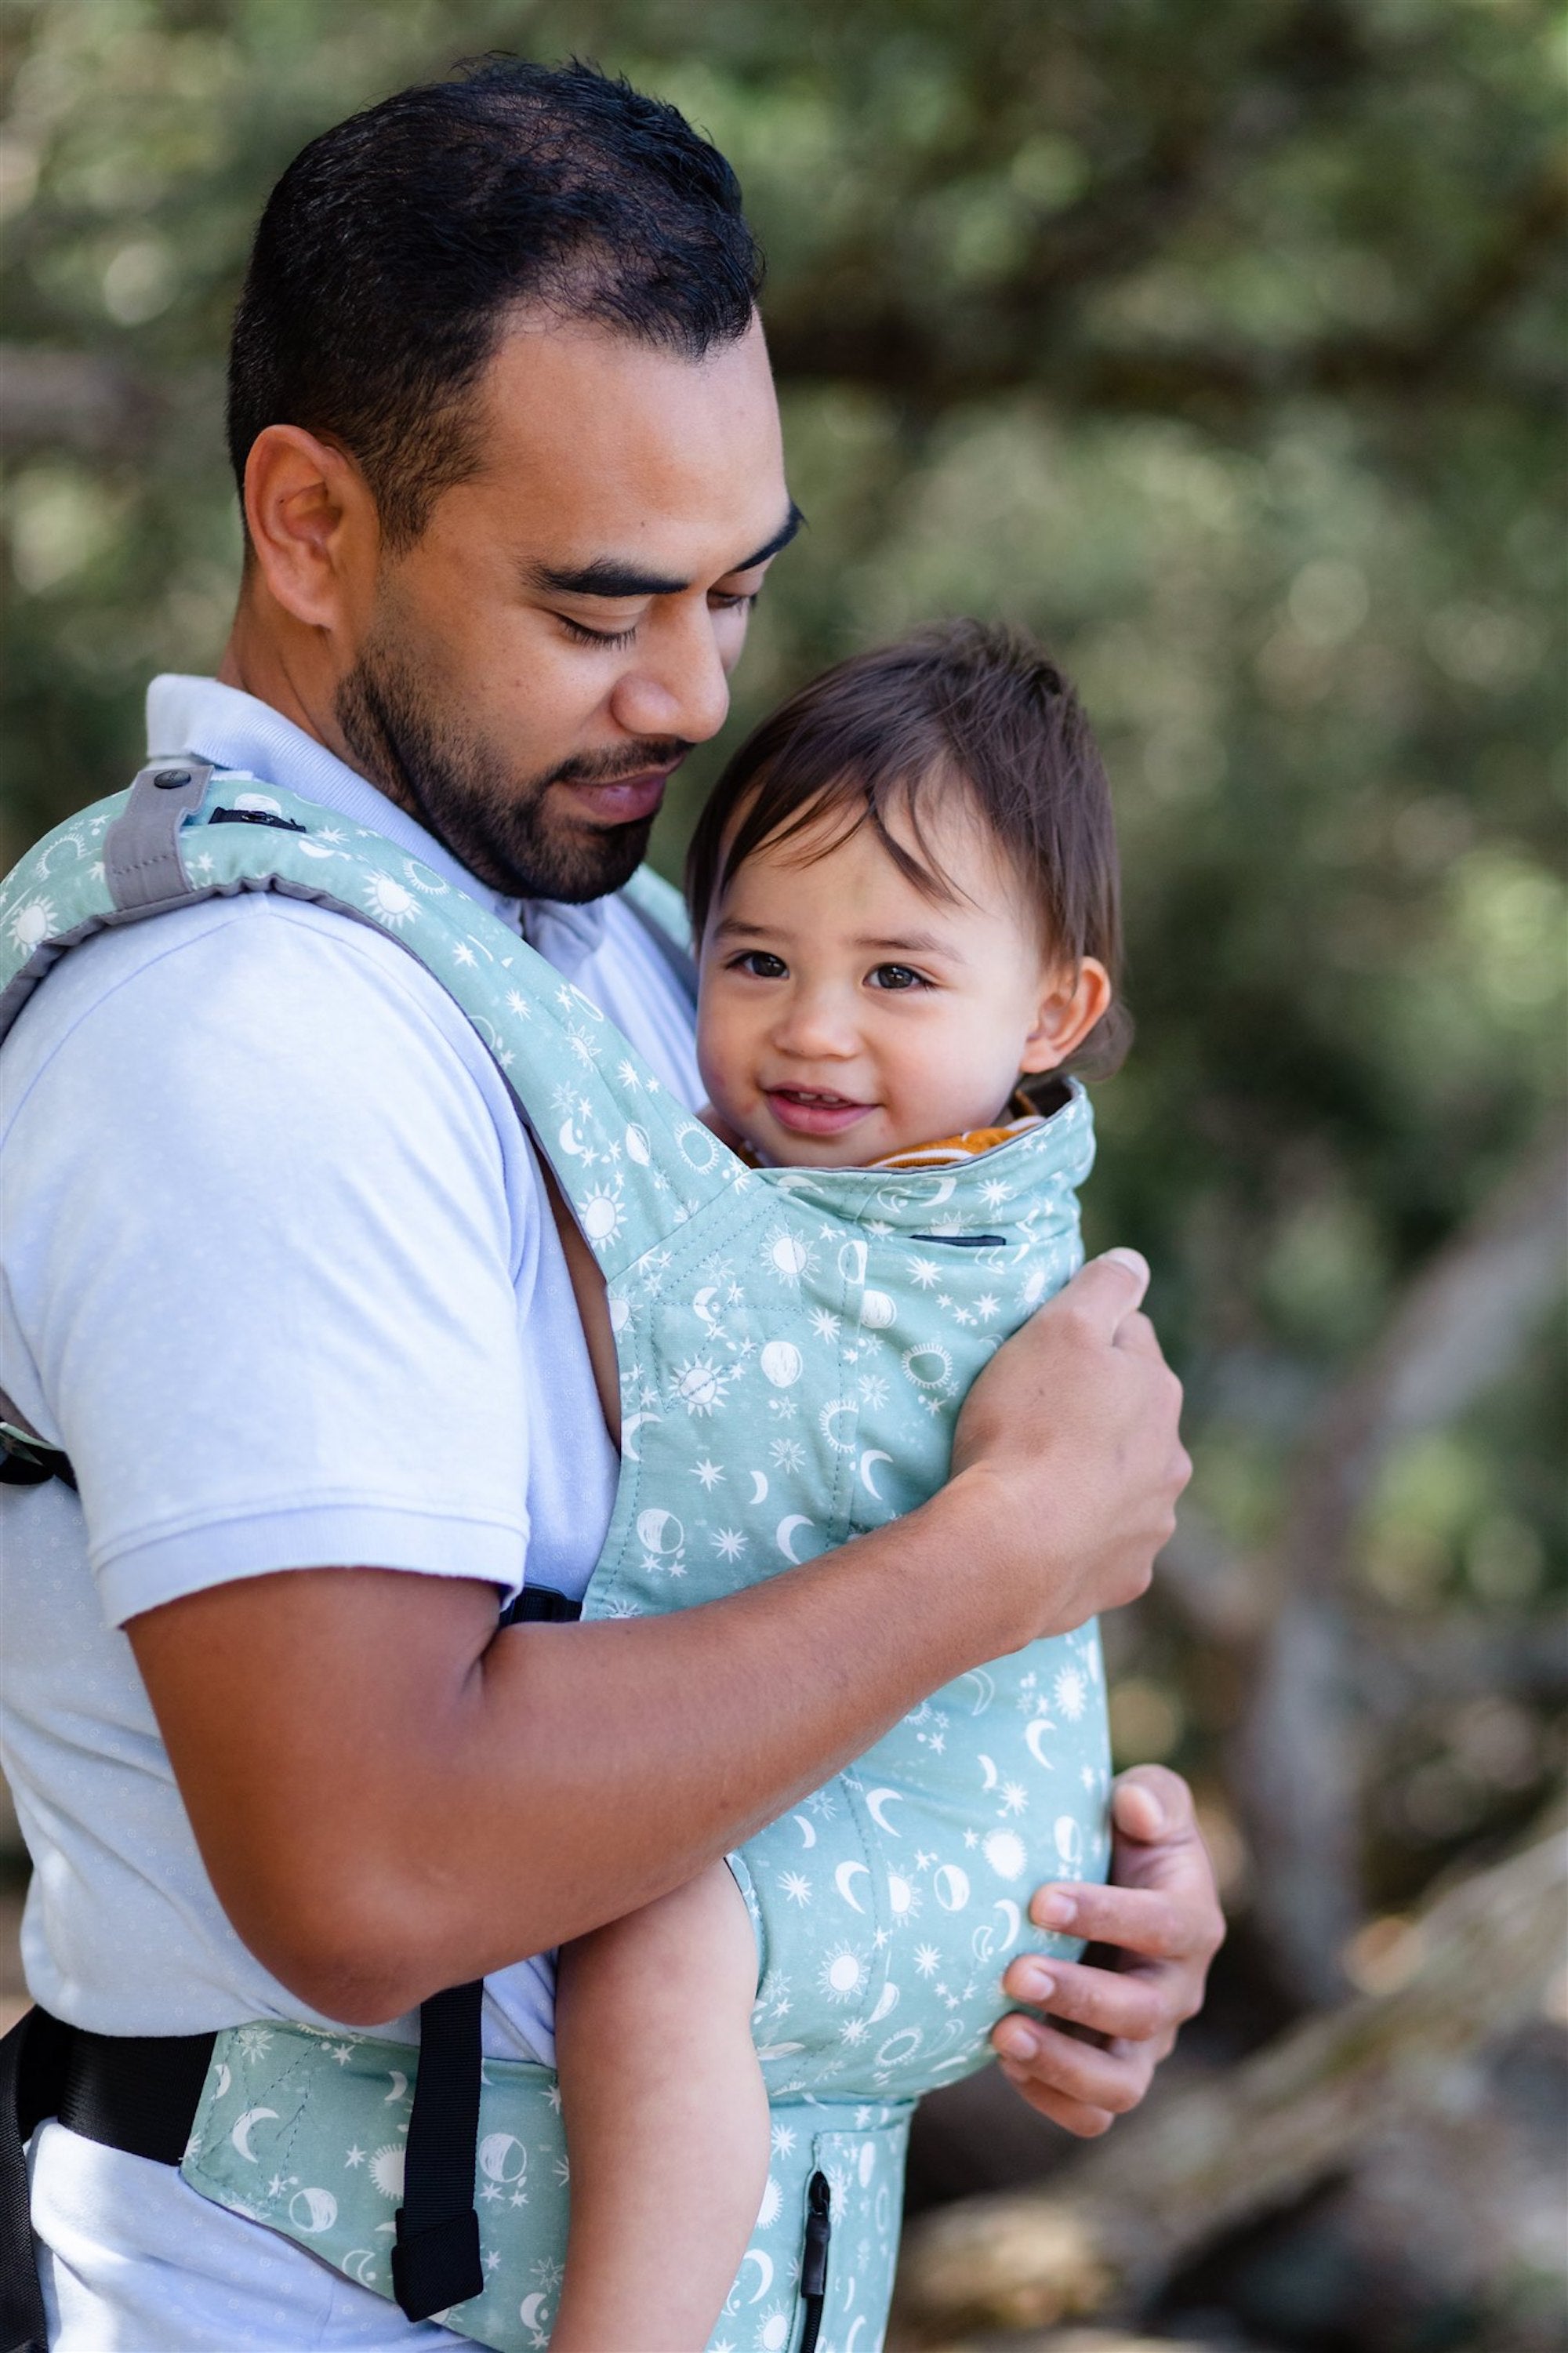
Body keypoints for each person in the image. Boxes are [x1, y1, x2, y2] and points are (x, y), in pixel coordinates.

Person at [0, 59, 1219, 2351]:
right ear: (309, 524)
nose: (690, 692)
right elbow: (374, 1869)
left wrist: (1026, 1896)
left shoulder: (636, 956)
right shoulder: (248, 1034)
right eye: (598, 607)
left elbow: (776, 1575)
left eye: (737, 592)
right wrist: (994, 1561)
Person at [549, 619, 1129, 2351]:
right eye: (753, 960)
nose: (810, 1030)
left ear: (1052, 1012)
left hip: (949, 1836)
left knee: (655, 1946)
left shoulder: (954, 1242)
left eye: (897, 977)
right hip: (876, 1802)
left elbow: (682, 1349)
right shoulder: (853, 1177)